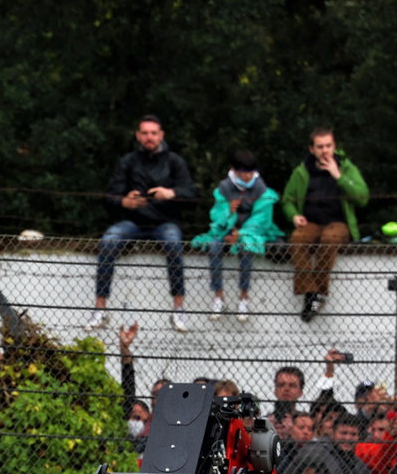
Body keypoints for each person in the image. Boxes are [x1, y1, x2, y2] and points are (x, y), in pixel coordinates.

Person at [87, 114, 196, 333]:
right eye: (144, 133)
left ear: (161, 135)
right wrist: (124, 202)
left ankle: (179, 310)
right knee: (108, 241)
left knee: (175, 244)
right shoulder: (127, 162)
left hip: (165, 223)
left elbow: (192, 194)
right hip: (132, 222)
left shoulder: (175, 162)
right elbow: (109, 197)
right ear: (138, 136)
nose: (149, 137)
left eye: (153, 133)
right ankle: (99, 309)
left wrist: (171, 193)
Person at [281, 127, 369, 322]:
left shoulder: (346, 168)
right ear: (311, 149)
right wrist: (294, 216)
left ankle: (317, 292)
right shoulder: (302, 171)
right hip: (311, 222)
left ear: (334, 146)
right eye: (320, 147)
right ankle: (311, 293)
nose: (325, 151)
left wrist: (338, 176)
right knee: (297, 238)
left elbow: (362, 198)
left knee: (330, 239)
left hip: (338, 223)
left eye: (328, 146)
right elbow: (287, 199)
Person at [196, 150, 279, 322]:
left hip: (251, 232)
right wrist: (229, 211)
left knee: (246, 247)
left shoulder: (262, 190)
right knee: (214, 246)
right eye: (243, 172)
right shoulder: (224, 188)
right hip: (225, 231)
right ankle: (218, 296)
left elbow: (261, 219)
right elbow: (216, 217)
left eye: (250, 172)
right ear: (234, 170)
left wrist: (240, 234)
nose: (248, 176)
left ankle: (244, 297)